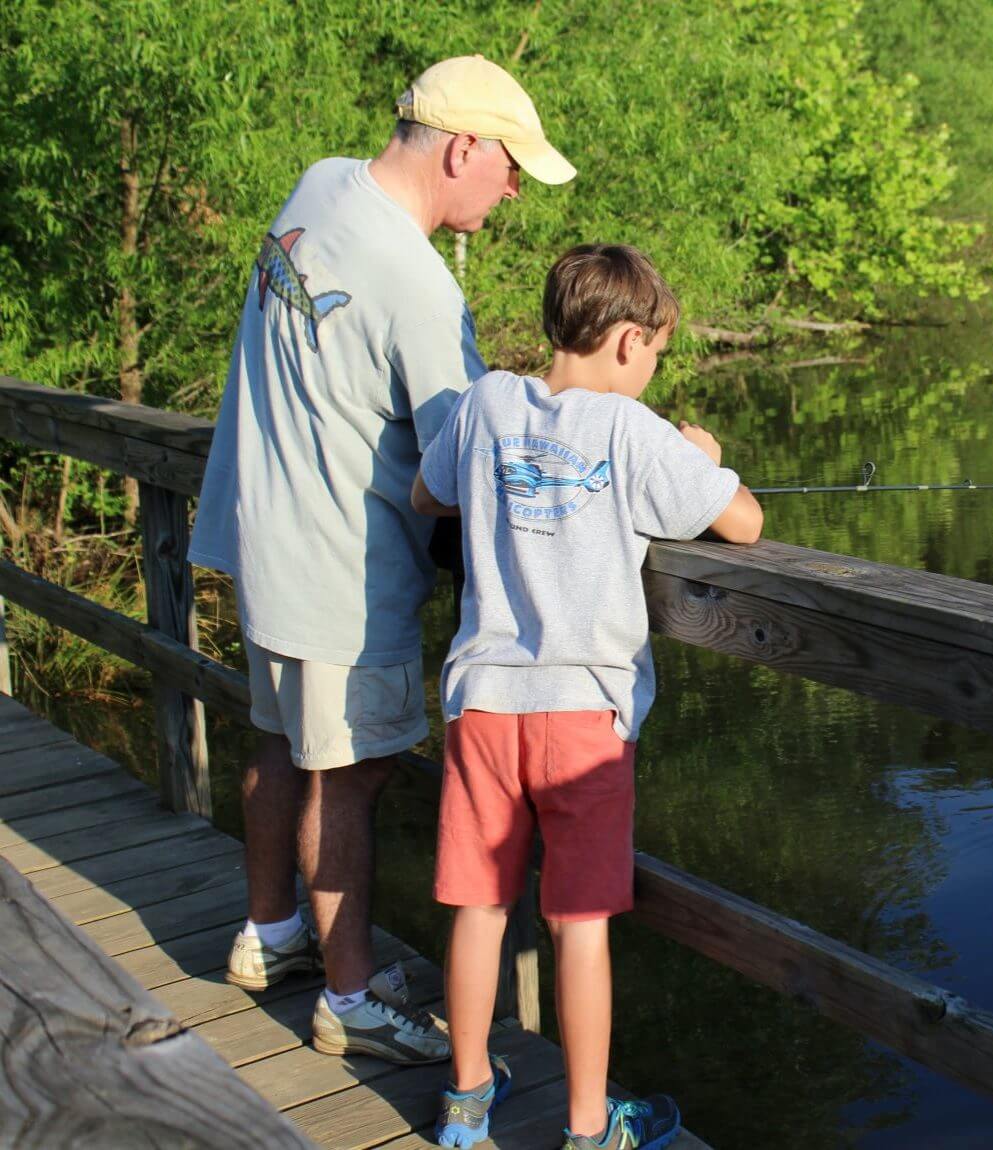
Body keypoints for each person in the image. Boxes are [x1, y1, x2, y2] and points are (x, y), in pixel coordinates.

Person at [188, 55, 576, 1063]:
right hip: (342, 578)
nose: (515, 190)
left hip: (261, 538)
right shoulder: (416, 285)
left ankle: (273, 937)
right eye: (511, 168)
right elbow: (474, 457)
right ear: (462, 149)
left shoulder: (319, 188)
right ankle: (350, 998)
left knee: (279, 746)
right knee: (351, 779)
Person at [411, 243, 762, 1149]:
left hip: (484, 702)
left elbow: (425, 491)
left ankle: (464, 1105)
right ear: (627, 340)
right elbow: (745, 522)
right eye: (653, 358)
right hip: (585, 720)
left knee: (480, 909)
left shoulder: (488, 402)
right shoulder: (631, 431)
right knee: (578, 927)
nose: (650, 375)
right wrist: (705, 456)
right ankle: (586, 1126)